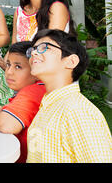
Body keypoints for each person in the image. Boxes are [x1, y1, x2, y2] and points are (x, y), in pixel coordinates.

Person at [26, 29, 112, 163]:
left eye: (44, 47)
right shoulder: (50, 105)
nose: (34, 53)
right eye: (32, 49)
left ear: (71, 61)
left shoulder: (77, 112)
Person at [0, 41, 46, 163]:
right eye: (8, 65)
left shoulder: (34, 92)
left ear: (36, 70)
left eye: (18, 66)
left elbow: (5, 124)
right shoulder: (37, 89)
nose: (9, 72)